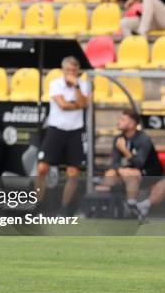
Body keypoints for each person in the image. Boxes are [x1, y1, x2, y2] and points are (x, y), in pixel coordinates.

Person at [36, 57, 89, 216]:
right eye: (68, 70)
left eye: (74, 71)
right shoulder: (55, 83)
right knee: (42, 169)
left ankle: (65, 208)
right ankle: (38, 205)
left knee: (73, 172)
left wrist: (77, 86)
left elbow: (83, 104)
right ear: (63, 71)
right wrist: (76, 105)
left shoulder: (83, 85)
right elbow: (63, 105)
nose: (71, 74)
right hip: (56, 130)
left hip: (75, 131)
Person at [99, 109, 163, 210]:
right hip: (128, 172)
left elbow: (139, 163)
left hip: (149, 174)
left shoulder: (143, 138)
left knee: (132, 174)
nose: (118, 121)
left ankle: (131, 207)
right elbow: (114, 162)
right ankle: (104, 207)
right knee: (110, 173)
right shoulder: (119, 138)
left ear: (132, 123)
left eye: (123, 119)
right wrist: (120, 170)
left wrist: (125, 150)